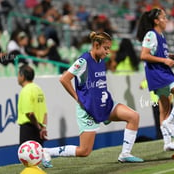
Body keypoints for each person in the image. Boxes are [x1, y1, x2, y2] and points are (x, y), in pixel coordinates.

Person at [43, 31, 144, 163]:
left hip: (104, 105)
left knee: (133, 116)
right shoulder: (83, 61)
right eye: (106, 48)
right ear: (96, 45)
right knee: (84, 151)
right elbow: (64, 79)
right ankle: (47, 152)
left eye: (109, 48)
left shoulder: (101, 59)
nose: (108, 52)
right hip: (88, 109)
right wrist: (77, 97)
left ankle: (125, 154)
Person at [137, 8, 174, 151]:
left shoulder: (160, 36)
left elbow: (160, 54)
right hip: (158, 73)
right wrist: (165, 61)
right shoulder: (151, 34)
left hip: (161, 72)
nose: (166, 20)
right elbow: (144, 55)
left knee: (165, 108)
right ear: (156, 21)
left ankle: (167, 142)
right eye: (164, 17)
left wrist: (173, 56)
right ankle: (169, 123)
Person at [17, 65, 53, 168]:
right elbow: (45, 112)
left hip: (29, 128)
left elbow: (30, 113)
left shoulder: (26, 91)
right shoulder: (38, 89)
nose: (18, 78)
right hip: (40, 128)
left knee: (28, 159)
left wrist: (38, 127)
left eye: (18, 75)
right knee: (37, 159)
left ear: (22, 76)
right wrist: (43, 128)